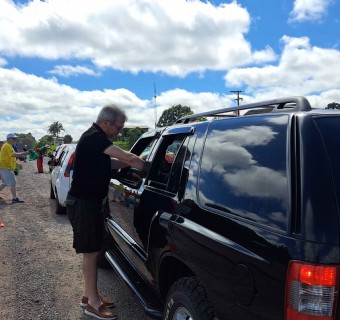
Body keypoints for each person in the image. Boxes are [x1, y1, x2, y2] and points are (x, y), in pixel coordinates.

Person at [66, 104, 149, 320]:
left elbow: (110, 162)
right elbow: (128, 157)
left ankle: (89, 295)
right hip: (84, 203)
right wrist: (149, 167)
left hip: (88, 202)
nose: (120, 132)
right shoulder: (95, 137)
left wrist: (127, 164)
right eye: (119, 127)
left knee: (91, 251)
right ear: (106, 123)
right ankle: (92, 305)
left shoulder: (94, 139)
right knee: (91, 252)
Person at [0, 133, 32, 203]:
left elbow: (11, 157)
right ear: (8, 139)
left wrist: (17, 164)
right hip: (6, 167)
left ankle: (14, 198)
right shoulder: (7, 146)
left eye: (15, 139)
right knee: (13, 183)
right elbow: (14, 155)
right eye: (13, 139)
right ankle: (15, 198)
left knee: (4, 183)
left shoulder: (9, 146)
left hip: (4, 167)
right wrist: (25, 153)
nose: (15, 140)